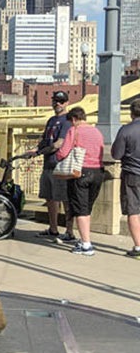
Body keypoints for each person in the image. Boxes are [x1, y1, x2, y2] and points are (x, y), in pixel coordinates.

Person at [55, 106, 104, 256]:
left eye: (71, 122)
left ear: (74, 119)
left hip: (80, 172)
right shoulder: (97, 131)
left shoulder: (74, 130)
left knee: (80, 209)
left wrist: (57, 157)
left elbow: (63, 152)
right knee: (87, 207)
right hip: (98, 171)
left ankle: (86, 244)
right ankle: (85, 239)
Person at [29, 90, 75, 243]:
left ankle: (69, 231)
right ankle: (53, 228)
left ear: (67, 103)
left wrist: (41, 152)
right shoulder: (51, 120)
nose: (58, 104)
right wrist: (36, 149)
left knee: (65, 198)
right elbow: (45, 140)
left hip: (61, 165)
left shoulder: (67, 121)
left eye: (61, 101)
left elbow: (59, 144)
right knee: (49, 197)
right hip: (48, 164)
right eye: (55, 101)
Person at [111, 98, 140, 258]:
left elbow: (116, 154)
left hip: (132, 174)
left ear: (131, 113)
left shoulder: (126, 130)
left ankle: (138, 246)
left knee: (133, 211)